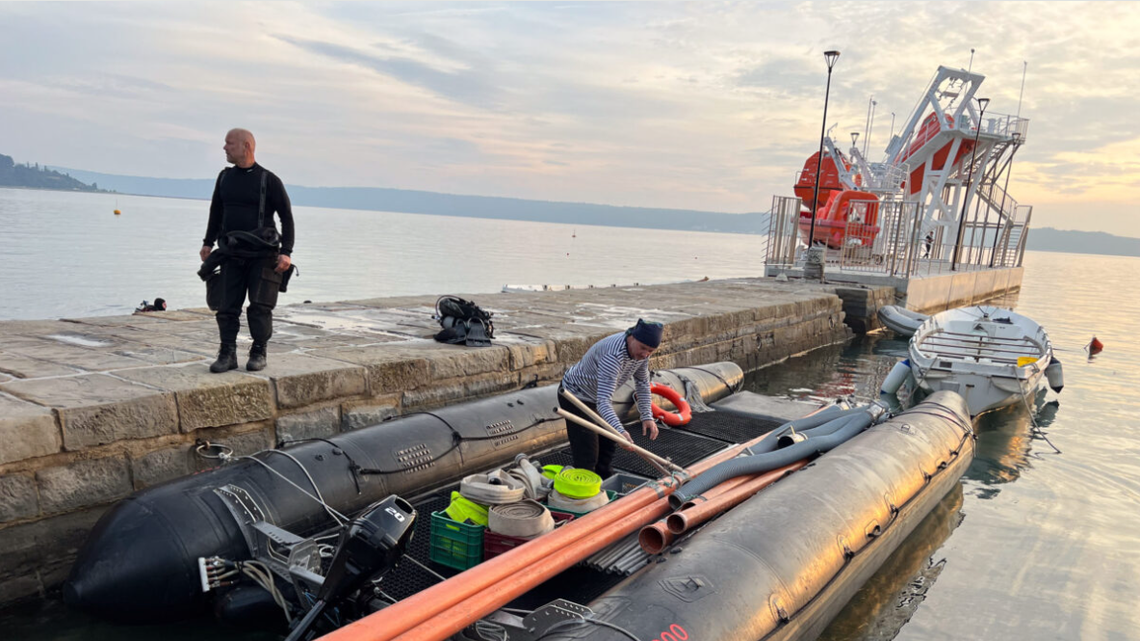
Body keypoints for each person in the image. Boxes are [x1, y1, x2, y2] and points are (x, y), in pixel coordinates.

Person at [200, 128, 294, 373]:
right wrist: (208, 242)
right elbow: (216, 213)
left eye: (229, 143)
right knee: (226, 306)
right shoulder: (224, 178)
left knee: (260, 306)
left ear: (246, 146)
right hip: (231, 253)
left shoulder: (268, 180)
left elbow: (287, 218)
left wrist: (286, 252)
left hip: (263, 256)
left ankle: (259, 351)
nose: (224, 148)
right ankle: (227, 353)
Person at [557, 319, 662, 478]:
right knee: (587, 451)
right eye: (643, 348)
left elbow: (642, 381)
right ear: (632, 337)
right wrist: (619, 431)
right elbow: (603, 402)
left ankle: (605, 481)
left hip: (596, 396)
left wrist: (647, 415)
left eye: (650, 351)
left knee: (608, 444)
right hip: (576, 395)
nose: (645, 354)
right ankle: (584, 491)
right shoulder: (613, 356)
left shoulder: (642, 354)